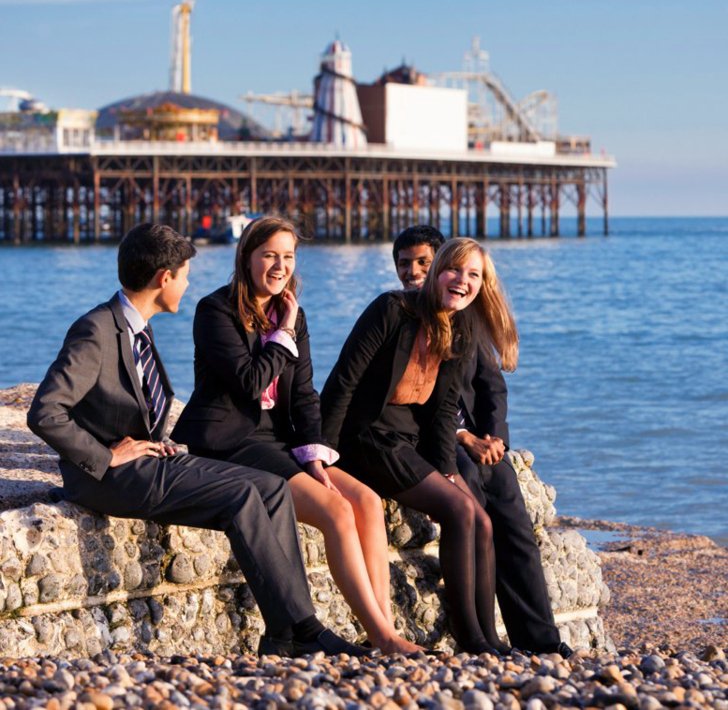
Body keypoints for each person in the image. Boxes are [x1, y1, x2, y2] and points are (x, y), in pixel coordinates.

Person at [27, 222, 364, 659]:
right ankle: (302, 629)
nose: (188, 284)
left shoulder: (135, 327)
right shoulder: (97, 329)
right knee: (243, 492)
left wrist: (149, 442)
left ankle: (289, 630)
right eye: (184, 274)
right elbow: (45, 412)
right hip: (108, 477)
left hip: (148, 460)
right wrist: (107, 456)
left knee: (272, 488)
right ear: (164, 278)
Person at [172, 217, 420, 655]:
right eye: (269, 255)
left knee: (366, 501)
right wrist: (282, 332)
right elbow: (250, 382)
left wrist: (314, 457)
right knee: (336, 511)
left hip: (278, 440)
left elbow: (304, 394)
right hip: (229, 441)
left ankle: (383, 628)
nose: (279, 265)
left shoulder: (292, 315)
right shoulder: (216, 311)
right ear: (246, 258)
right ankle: (384, 637)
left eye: (287, 256)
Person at [321, 236, 514, 655]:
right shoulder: (391, 310)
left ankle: (489, 637)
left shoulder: (462, 327)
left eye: (474, 275)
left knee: (479, 517)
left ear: (482, 284)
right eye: (455, 270)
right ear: (438, 270)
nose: (462, 281)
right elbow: (343, 380)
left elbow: (444, 411)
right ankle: (470, 639)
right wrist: (323, 454)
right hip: (365, 437)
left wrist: (447, 470)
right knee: (460, 509)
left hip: (408, 440)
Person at [391, 225, 571, 656]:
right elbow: (400, 401)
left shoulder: (466, 318)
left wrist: (494, 439)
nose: (414, 271)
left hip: (471, 439)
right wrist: (462, 437)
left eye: (423, 262)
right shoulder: (398, 314)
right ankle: (479, 635)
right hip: (426, 440)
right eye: (405, 264)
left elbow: (491, 389)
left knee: (512, 512)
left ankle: (540, 640)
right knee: (469, 496)